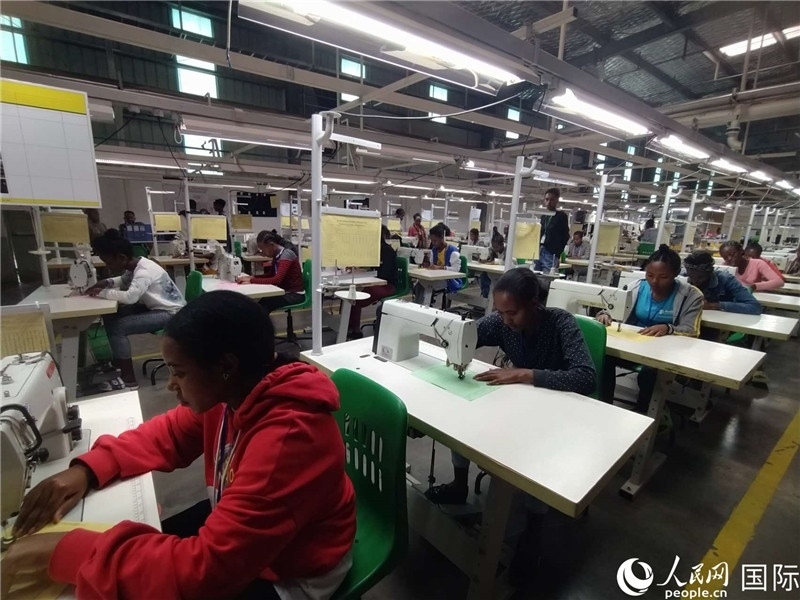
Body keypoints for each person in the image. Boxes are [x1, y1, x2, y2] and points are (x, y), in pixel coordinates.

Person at [3, 291, 355, 599]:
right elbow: (168, 435)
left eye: (179, 372)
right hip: (255, 543)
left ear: (226, 366)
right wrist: (88, 470)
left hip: (292, 573)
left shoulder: (289, 439)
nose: (171, 384)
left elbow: (204, 573)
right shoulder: (235, 393)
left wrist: (66, 552)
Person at [424, 268, 595, 583]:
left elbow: (585, 376)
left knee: (531, 455)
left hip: (558, 411)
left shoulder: (561, 323)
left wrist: (524, 373)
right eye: (501, 312)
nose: (505, 320)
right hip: (520, 404)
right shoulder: (502, 322)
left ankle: (533, 528)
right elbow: (468, 334)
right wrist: (454, 341)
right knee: (461, 415)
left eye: (512, 312)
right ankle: (459, 485)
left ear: (534, 304)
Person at [596, 245, 703, 412]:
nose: (654, 281)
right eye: (650, 275)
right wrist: (605, 314)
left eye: (663, 277)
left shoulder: (691, 295)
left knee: (650, 373)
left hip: (663, 351)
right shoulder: (636, 287)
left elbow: (692, 329)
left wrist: (668, 328)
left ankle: (643, 411)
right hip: (632, 344)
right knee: (603, 358)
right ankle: (604, 408)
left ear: (676, 274)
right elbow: (612, 306)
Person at [85, 230, 185, 390]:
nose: (107, 266)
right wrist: (105, 283)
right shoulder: (136, 265)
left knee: (118, 327)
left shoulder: (143, 271)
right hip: (155, 307)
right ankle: (118, 363)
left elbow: (130, 297)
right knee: (111, 315)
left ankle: (129, 379)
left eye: (108, 262)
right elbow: (123, 280)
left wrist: (102, 293)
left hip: (171, 313)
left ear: (121, 258)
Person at [347, 226, 397, 339]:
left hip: (387, 285)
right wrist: (360, 270)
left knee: (356, 297)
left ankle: (355, 330)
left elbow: (384, 274)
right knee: (352, 294)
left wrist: (365, 273)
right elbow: (373, 269)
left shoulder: (387, 251)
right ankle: (350, 325)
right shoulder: (375, 249)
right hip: (379, 282)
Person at [237, 231, 304, 314]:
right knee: (262, 303)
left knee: (264, 305)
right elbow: (270, 275)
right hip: (285, 291)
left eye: (262, 249)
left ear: (271, 245)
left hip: (295, 295)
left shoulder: (286, 255)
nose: (262, 253)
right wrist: (252, 277)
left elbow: (277, 280)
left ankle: (259, 322)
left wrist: (251, 280)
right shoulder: (277, 255)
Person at [683, 251, 762, 316]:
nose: (695, 282)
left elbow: (755, 307)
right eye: (691, 276)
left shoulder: (726, 280)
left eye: (700, 277)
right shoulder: (682, 277)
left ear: (710, 272)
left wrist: (713, 305)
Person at [412, 223, 463, 304]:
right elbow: (432, 265)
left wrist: (440, 267)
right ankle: (419, 305)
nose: (433, 243)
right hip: (436, 278)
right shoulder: (434, 250)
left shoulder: (453, 252)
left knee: (425, 286)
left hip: (449, 280)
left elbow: (456, 270)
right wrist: (428, 265)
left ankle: (422, 305)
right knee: (419, 284)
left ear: (442, 238)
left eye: (435, 241)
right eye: (432, 241)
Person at [719, 240, 784, 292]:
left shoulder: (757, 263)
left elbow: (779, 282)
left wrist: (754, 286)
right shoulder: (725, 267)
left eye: (732, 254)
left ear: (741, 251)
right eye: (725, 257)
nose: (729, 258)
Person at [533, 188, 570, 273]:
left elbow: (565, 236)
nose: (549, 202)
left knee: (547, 277)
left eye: (552, 199)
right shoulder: (544, 216)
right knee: (535, 276)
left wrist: (557, 253)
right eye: (547, 199)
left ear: (557, 200)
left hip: (551, 252)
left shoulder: (561, 216)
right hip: (539, 250)